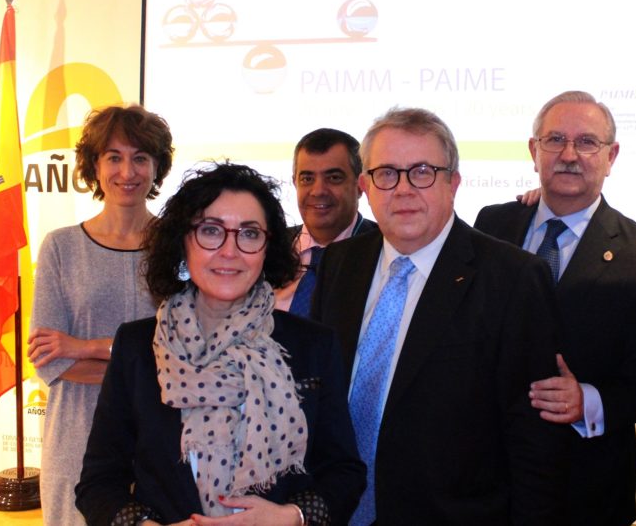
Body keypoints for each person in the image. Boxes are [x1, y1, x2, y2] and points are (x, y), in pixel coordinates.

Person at [310, 107, 570, 525]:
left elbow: (534, 441)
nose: (404, 189)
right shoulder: (339, 263)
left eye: (422, 172)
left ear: (453, 183)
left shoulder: (513, 278)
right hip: (335, 511)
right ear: (365, 187)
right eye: (387, 173)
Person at [75, 162, 365, 526]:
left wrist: (291, 517)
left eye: (249, 233)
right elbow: (98, 482)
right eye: (211, 231)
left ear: (267, 248)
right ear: (182, 244)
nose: (230, 251)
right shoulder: (136, 346)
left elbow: (343, 472)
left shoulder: (313, 346)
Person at [474, 90, 636, 526]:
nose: (569, 155)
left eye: (587, 142)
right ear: (533, 151)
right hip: (487, 485)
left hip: (585, 491)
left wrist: (588, 401)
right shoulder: (492, 224)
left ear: (612, 156)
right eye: (555, 139)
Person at [28, 104, 174, 526]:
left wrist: (84, 346)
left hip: (165, 432)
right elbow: (51, 360)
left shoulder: (180, 246)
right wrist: (140, 365)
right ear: (94, 166)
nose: (127, 171)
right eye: (114, 157)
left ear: (156, 167)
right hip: (77, 435)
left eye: (140, 157)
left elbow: (184, 351)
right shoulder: (60, 247)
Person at [274, 128, 377, 315]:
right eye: (307, 179)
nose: (318, 191)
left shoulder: (384, 251)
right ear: (295, 183)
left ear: (361, 185)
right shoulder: (269, 247)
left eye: (334, 178)